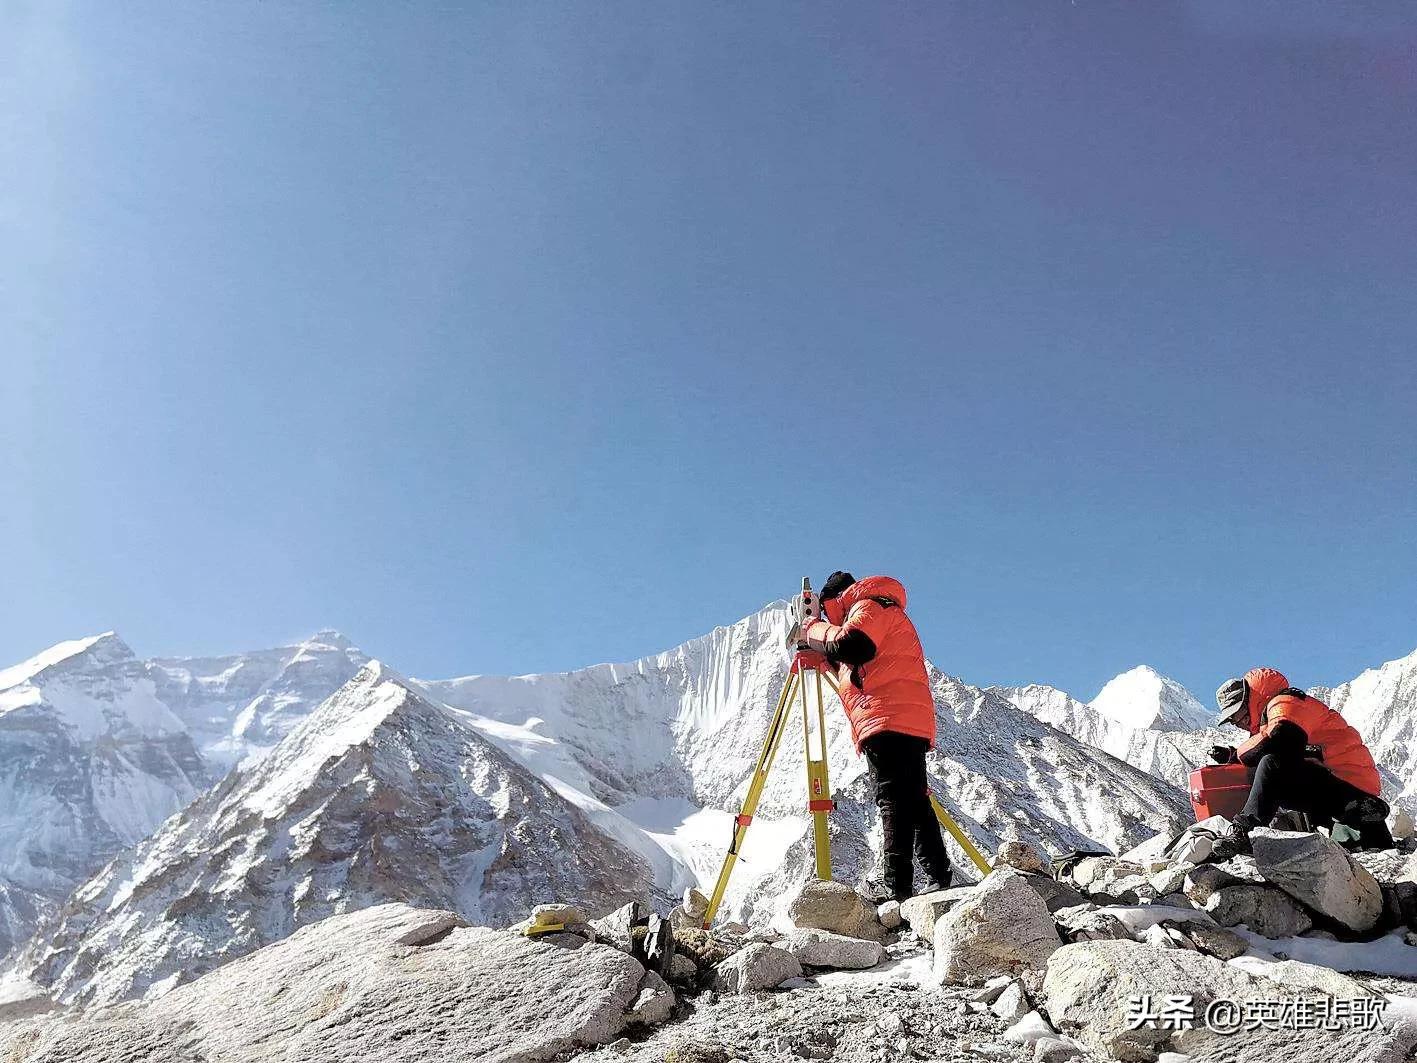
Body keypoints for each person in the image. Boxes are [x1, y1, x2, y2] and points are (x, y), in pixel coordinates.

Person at [797, 571, 951, 901]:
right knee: (914, 798)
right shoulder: (882, 609)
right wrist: (824, 657)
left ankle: (897, 886)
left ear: (834, 602)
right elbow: (857, 671)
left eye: (826, 611)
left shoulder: (868, 607)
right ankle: (938, 873)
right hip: (903, 716)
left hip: (886, 716)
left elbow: (854, 647)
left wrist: (812, 629)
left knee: (893, 799)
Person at [1206, 666, 1391, 861]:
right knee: (1261, 769)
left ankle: (1243, 831)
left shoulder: (1286, 702)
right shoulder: (1270, 716)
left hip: (1349, 783)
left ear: (1253, 699)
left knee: (1270, 764)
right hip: (1334, 782)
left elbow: (1281, 738)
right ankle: (1350, 817)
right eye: (1233, 720)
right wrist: (1234, 756)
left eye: (1239, 714)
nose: (1238, 722)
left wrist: (1239, 754)